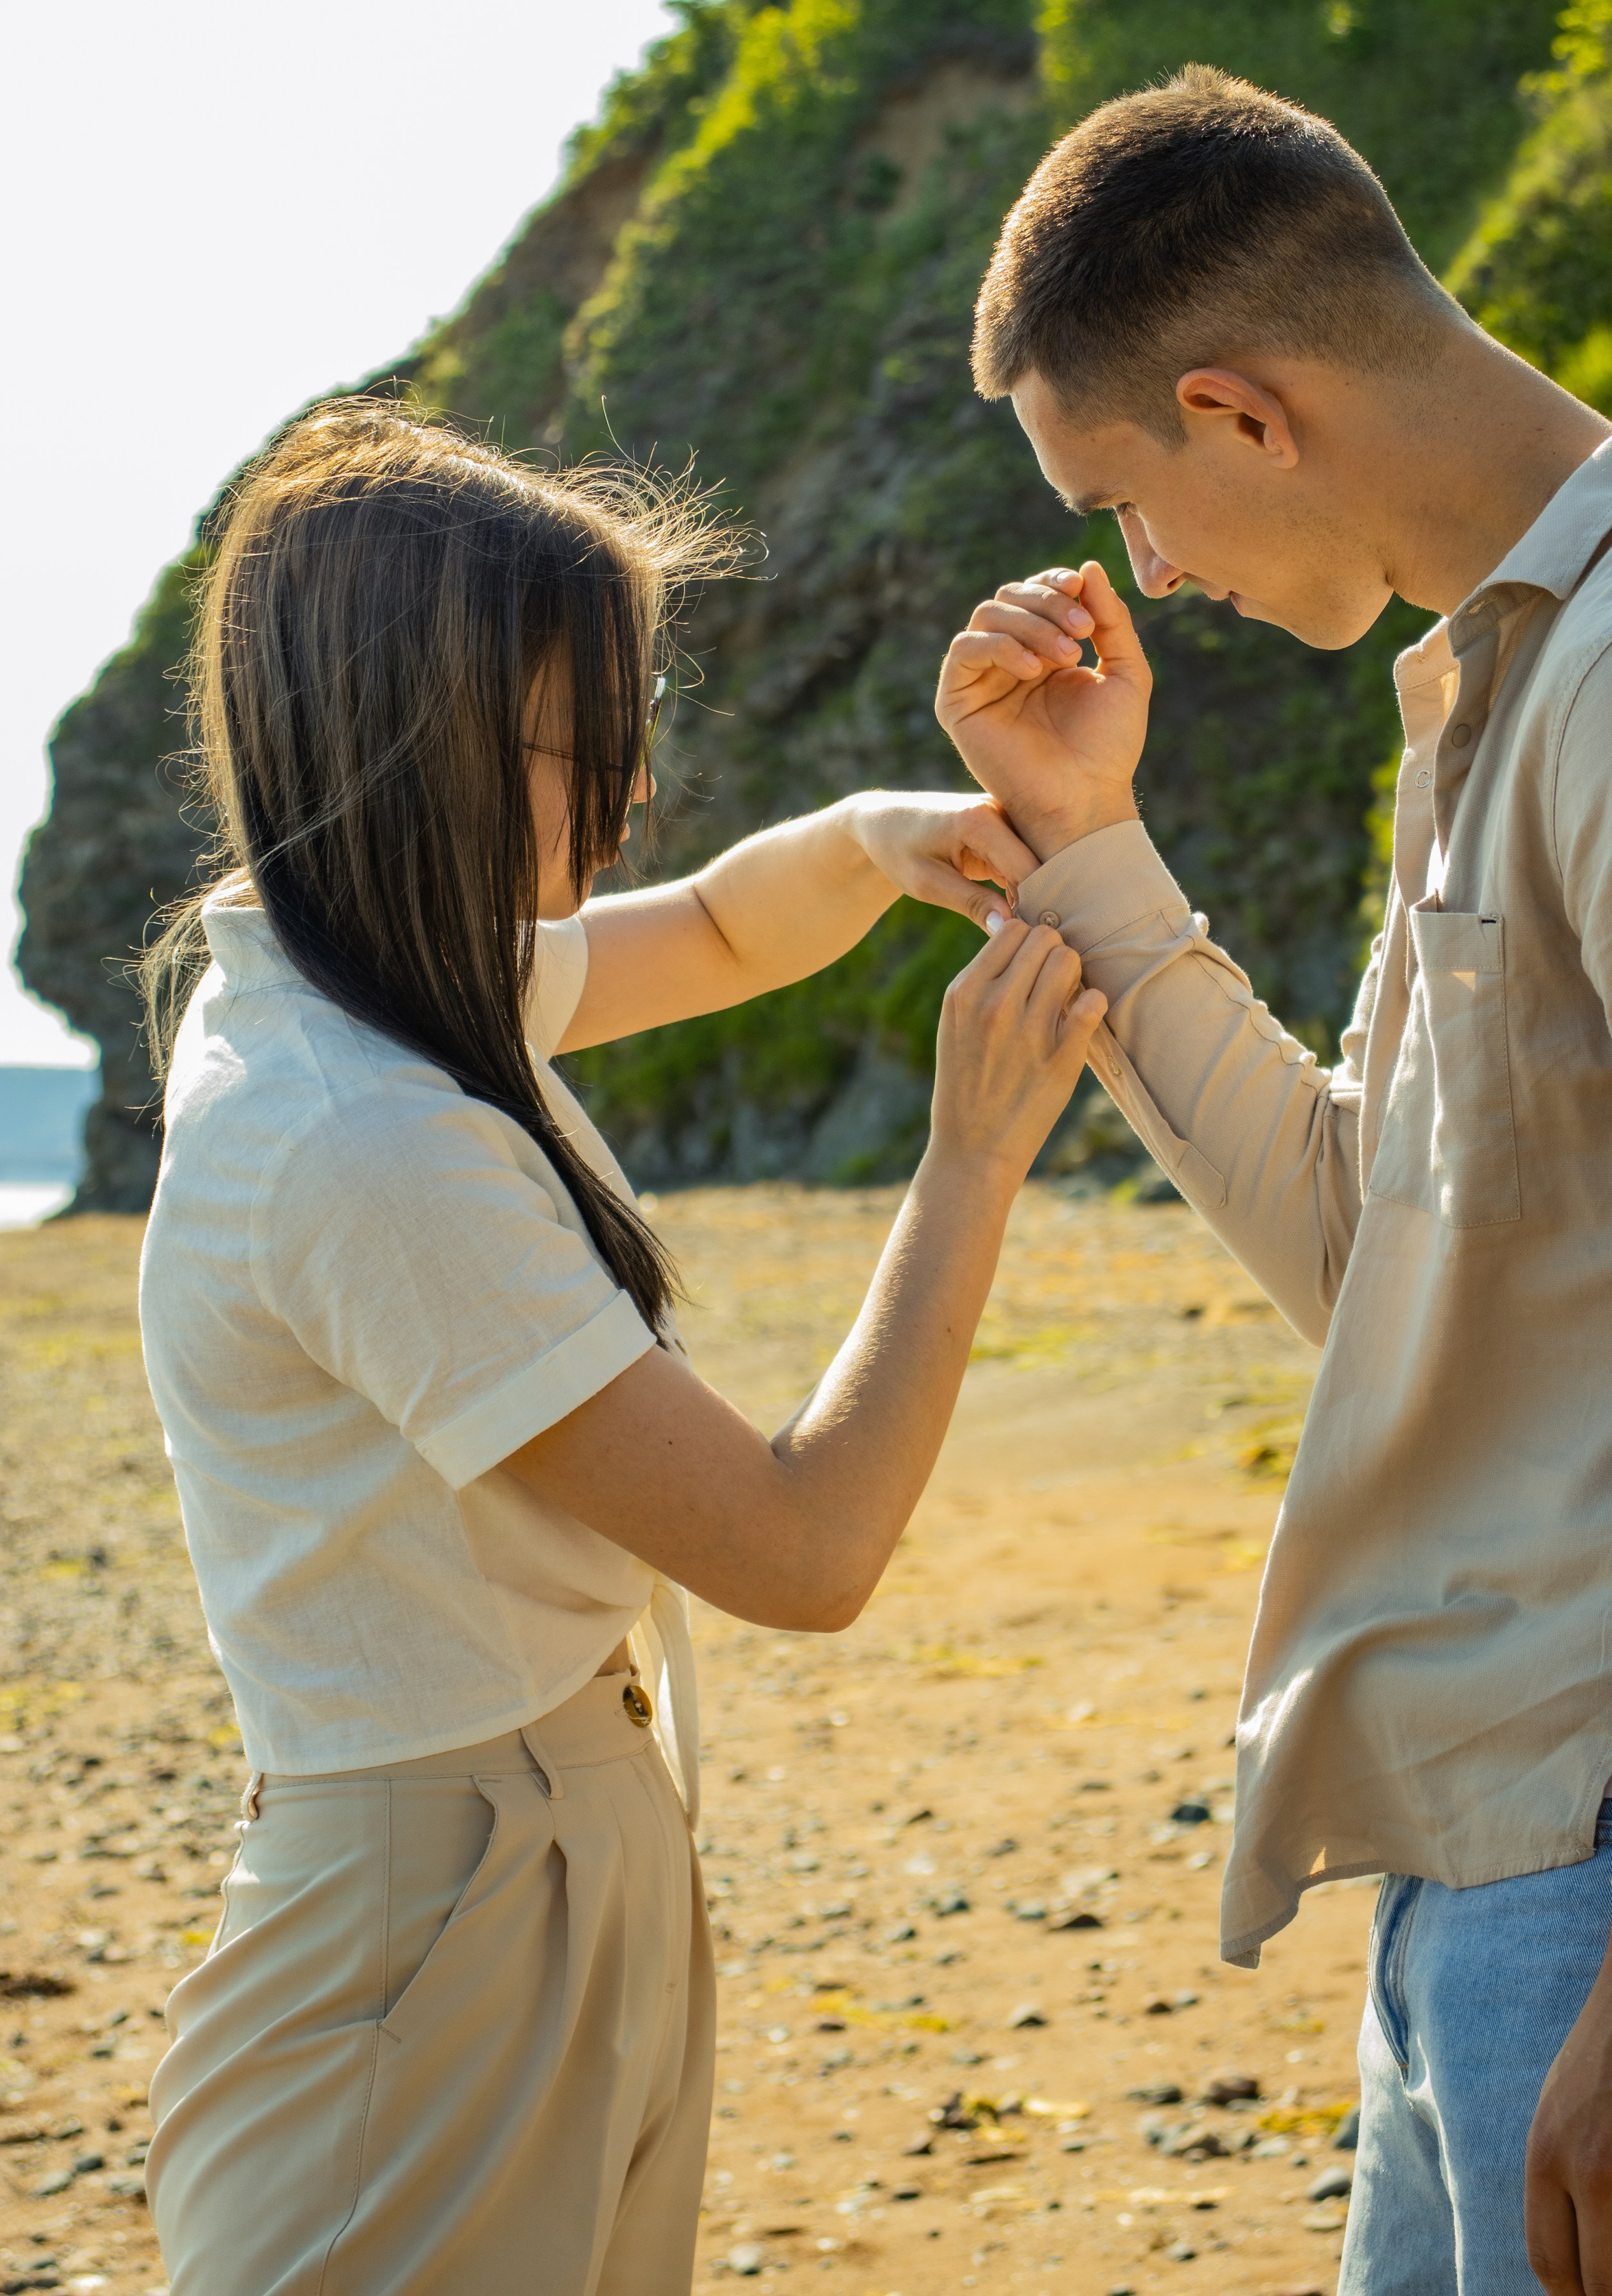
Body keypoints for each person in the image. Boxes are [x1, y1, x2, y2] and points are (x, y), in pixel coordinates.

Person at [137, 396, 1106, 2296]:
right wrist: (975, 1153)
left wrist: (898, 832)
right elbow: (804, 1551)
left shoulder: (370, 975)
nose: (638, 791)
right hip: (445, 1918)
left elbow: (727, 929)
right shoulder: (365, 1136)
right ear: (432, 752)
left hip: (513, 1864)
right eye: (600, 741)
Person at [934, 63, 1612, 2296]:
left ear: (1242, 410)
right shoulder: (1507, 684)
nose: (1150, 576)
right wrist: (1088, 844)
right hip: (1488, 1867)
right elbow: (1377, 1251)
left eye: (1130, 499)